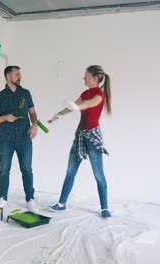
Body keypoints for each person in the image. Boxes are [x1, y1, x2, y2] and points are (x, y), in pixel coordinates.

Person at [48, 65, 112, 219]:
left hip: (92, 136)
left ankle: (105, 208)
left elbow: (87, 105)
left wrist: (77, 106)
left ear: (95, 78)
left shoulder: (99, 95)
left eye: (86, 75)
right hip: (80, 136)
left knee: (99, 175)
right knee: (70, 171)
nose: (84, 78)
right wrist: (58, 114)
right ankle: (61, 204)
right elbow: (72, 107)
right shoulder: (85, 93)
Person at [0, 66, 39, 212]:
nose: (20, 77)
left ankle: (30, 199)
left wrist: (34, 124)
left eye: (20, 74)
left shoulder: (26, 93)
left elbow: (33, 113)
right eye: (17, 74)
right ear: (8, 76)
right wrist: (5, 117)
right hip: (5, 139)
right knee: (4, 170)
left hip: (25, 137)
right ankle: (2, 198)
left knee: (27, 169)